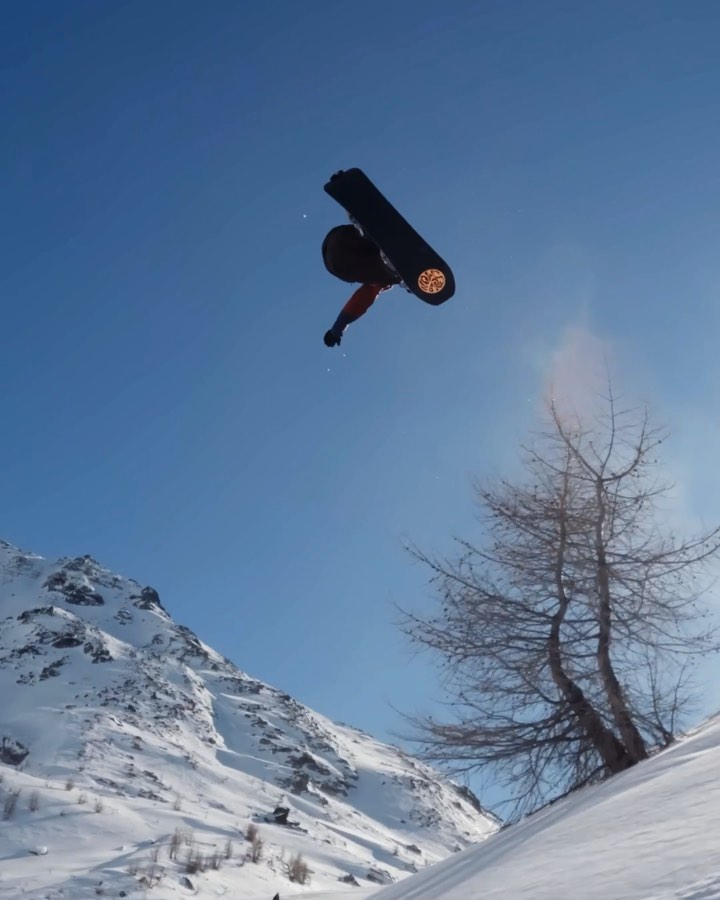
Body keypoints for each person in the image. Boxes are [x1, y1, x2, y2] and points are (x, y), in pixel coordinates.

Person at [321, 224, 401, 347]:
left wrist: (336, 329)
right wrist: (337, 329)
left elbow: (360, 301)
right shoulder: (381, 279)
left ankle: (363, 227)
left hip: (338, 247)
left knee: (384, 272)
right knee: (388, 273)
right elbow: (361, 300)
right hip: (340, 246)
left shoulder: (377, 280)